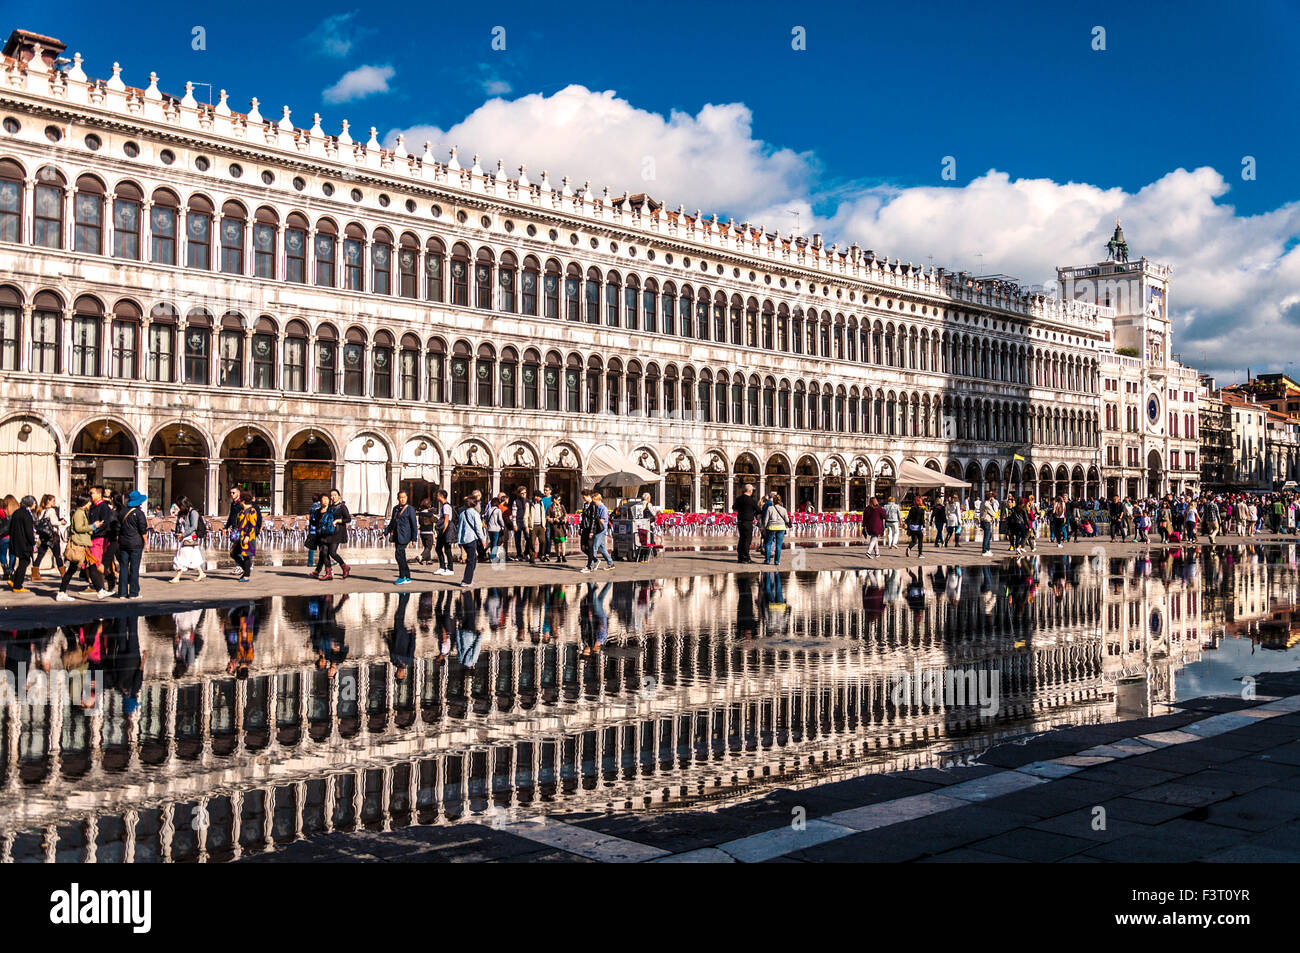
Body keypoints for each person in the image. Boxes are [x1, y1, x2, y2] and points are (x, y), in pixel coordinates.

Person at [56, 494, 108, 601]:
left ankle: (99, 590)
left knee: (88, 567)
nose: (90, 504)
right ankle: (99, 590)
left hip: (83, 544)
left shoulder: (81, 512)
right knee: (79, 568)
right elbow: (79, 528)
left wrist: (92, 526)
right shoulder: (79, 513)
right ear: (85, 502)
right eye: (89, 502)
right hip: (79, 545)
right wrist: (93, 526)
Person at [115, 490, 149, 598]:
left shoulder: (122, 512)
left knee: (123, 568)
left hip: (123, 543)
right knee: (134, 569)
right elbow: (143, 530)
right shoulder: (139, 514)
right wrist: (146, 543)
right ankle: (134, 593)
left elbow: (117, 529)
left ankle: (122, 592)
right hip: (136, 544)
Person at [168, 496, 208, 583]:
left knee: (182, 556)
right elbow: (179, 524)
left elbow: (194, 527)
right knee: (193, 557)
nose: (179, 507)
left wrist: (183, 534)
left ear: (184, 504)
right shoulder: (181, 513)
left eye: (180, 505)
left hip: (189, 537)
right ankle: (201, 573)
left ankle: (177, 577)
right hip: (183, 536)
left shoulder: (193, 513)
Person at [386, 490, 419, 584]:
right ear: (398, 498)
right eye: (401, 497)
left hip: (405, 535)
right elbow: (392, 522)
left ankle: (401, 576)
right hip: (397, 535)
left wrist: (414, 539)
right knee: (402, 556)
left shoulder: (410, 509)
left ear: (407, 498)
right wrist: (385, 533)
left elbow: (414, 525)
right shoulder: (395, 509)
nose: (402, 499)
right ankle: (407, 576)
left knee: (398, 554)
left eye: (404, 497)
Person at [454, 493, 487, 587]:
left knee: (472, 559)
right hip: (472, 538)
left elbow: (459, 527)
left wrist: (459, 540)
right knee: (471, 560)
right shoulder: (475, 514)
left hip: (464, 539)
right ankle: (466, 580)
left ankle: (468, 578)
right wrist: (483, 539)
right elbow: (478, 528)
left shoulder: (462, 514)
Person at [31, 493, 65, 581]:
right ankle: (63, 574)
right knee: (57, 555)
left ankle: (34, 574)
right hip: (52, 536)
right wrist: (61, 523)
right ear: (48, 501)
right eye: (53, 500)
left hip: (44, 536)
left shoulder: (41, 511)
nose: (55, 502)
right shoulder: (51, 511)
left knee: (40, 554)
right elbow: (54, 522)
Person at [320, 488, 352, 579]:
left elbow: (348, 519)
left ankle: (345, 567)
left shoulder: (342, 507)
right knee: (324, 552)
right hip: (328, 532)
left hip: (337, 532)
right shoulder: (329, 507)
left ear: (339, 496)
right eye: (331, 496)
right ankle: (328, 572)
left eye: (335, 495)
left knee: (332, 552)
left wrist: (338, 520)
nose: (333, 497)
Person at [7, 495, 36, 593]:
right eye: (34, 502)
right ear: (30, 503)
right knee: (25, 562)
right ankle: (18, 585)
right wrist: (33, 543)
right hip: (24, 543)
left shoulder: (16, 512)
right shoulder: (27, 514)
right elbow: (29, 531)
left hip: (16, 541)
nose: (35, 504)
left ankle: (13, 580)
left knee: (23, 562)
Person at [228, 490, 259, 582]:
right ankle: (245, 569)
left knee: (246, 555)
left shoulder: (252, 511)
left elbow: (252, 525)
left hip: (248, 537)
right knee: (233, 552)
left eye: (240, 500)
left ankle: (246, 575)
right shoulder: (242, 511)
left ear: (243, 501)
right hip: (240, 536)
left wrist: (248, 536)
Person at [583, 492, 614, 573]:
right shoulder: (596, 507)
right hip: (597, 530)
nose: (593, 503)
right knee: (602, 548)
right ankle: (610, 563)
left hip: (601, 530)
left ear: (599, 500)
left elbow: (602, 520)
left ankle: (591, 566)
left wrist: (593, 525)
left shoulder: (603, 508)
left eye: (594, 501)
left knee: (594, 547)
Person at [763, 492, 791, 565]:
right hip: (781, 528)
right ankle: (777, 561)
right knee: (778, 545)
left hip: (771, 527)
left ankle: (767, 560)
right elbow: (787, 520)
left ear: (773, 501)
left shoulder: (770, 508)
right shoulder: (783, 509)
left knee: (768, 543)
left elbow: (766, 519)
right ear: (780, 501)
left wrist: (764, 528)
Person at [735, 483, 758, 563]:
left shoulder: (739, 499)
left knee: (741, 538)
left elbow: (734, 507)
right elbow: (758, 510)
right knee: (747, 539)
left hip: (740, 521)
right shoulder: (751, 500)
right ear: (750, 491)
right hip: (748, 522)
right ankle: (746, 557)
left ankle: (740, 557)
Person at [433, 488, 455, 575]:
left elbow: (446, 519)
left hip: (446, 529)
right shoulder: (444, 506)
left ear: (441, 496)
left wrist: (443, 530)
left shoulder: (446, 506)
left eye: (438, 496)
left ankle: (450, 568)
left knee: (447, 549)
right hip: (445, 529)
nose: (436, 497)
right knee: (439, 548)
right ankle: (442, 567)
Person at [525, 490, 547, 564]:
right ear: (536, 497)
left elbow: (543, 514)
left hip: (540, 525)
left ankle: (541, 555)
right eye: (539, 496)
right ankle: (532, 557)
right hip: (533, 526)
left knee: (543, 541)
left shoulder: (541, 503)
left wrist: (544, 525)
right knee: (532, 542)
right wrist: (526, 526)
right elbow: (526, 516)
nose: (540, 498)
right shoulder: (529, 504)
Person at [485, 492, 506, 561]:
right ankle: (493, 557)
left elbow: (486, 519)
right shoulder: (498, 510)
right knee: (495, 543)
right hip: (496, 529)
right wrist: (503, 525)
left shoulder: (489, 510)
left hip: (490, 529)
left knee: (492, 542)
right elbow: (500, 519)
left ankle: (492, 555)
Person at [548, 495, 569, 563]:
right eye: (558, 500)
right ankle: (558, 556)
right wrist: (554, 519)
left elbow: (566, 514)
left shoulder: (562, 507)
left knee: (563, 541)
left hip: (562, 526)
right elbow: (547, 517)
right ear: (554, 500)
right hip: (555, 527)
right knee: (556, 542)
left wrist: (564, 519)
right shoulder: (550, 508)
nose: (559, 501)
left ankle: (563, 556)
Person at [417, 496, 436, 565]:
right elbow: (435, 520)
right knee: (429, 547)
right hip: (429, 532)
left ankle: (428, 560)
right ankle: (421, 556)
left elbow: (419, 522)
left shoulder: (420, 514)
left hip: (422, 532)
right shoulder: (430, 514)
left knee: (426, 546)